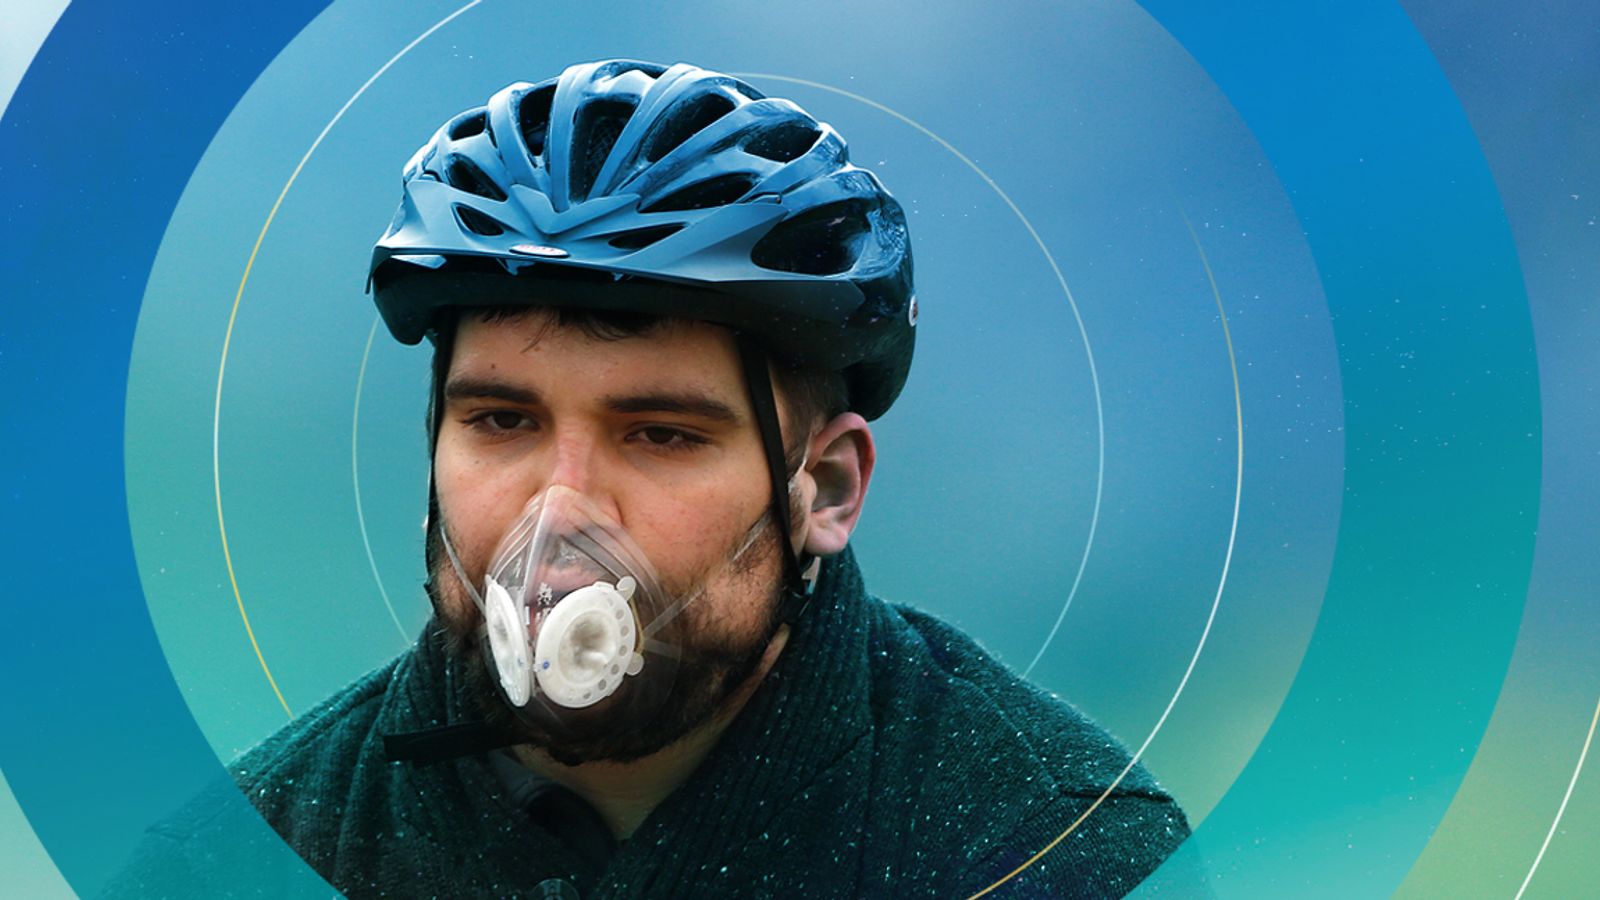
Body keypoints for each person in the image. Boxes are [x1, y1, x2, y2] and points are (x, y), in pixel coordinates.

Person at [107, 59, 1195, 899]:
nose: (559, 510)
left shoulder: (1058, 848)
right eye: (500, 420)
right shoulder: (236, 859)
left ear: (826, 489)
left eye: (661, 435)